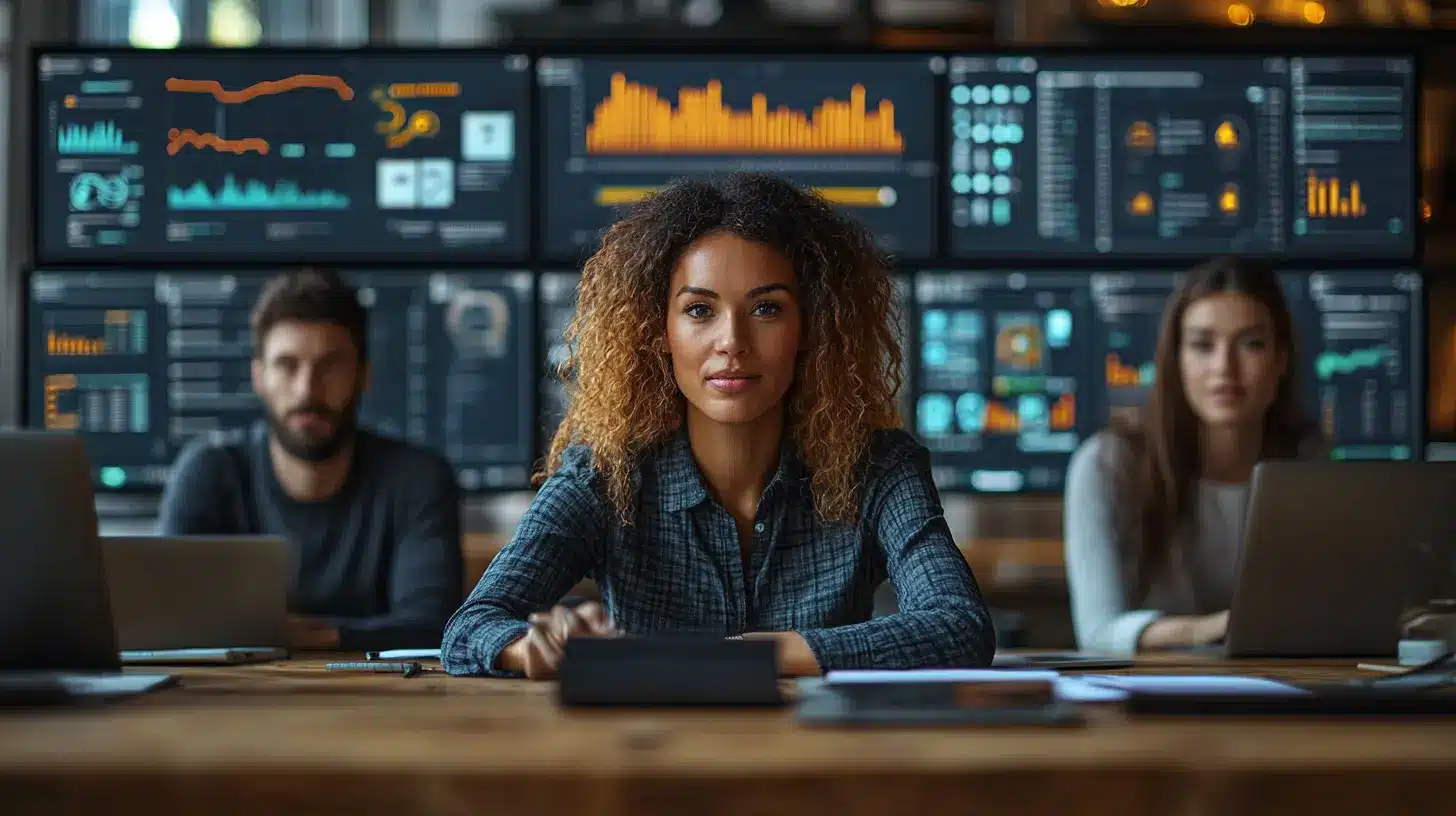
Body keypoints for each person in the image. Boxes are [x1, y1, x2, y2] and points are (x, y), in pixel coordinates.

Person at [441, 172, 995, 679]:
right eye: (700, 310)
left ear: (811, 327)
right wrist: (532, 647)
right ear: (657, 330)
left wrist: (749, 655)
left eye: (767, 309)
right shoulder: (605, 475)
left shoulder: (877, 467)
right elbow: (470, 627)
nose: (732, 341)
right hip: (650, 762)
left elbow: (959, 627)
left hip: (822, 761)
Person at [158, 268, 463, 652]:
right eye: (287, 365)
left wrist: (295, 636)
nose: (307, 389)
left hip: (380, 702)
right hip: (235, 701)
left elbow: (437, 625)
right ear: (259, 377)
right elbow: (168, 622)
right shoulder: (207, 473)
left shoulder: (419, 479)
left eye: (330, 365)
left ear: (363, 375)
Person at [1063, 258, 1323, 655]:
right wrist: (1218, 629)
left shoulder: (1310, 463)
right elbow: (1098, 633)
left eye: (1251, 344)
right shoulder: (1107, 465)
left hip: (1281, 691)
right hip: (1150, 699)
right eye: (1203, 345)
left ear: (1281, 361)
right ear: (1176, 360)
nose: (1224, 367)